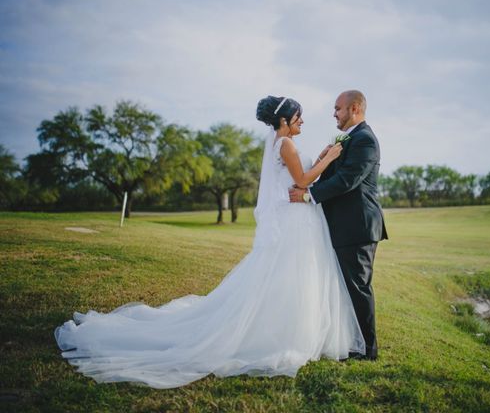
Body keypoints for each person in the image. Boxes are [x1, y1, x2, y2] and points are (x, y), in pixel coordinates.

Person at [53, 96, 365, 389]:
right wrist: (332, 158)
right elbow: (302, 181)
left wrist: (321, 156)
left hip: (298, 218)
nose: (302, 122)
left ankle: (294, 330)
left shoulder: (281, 142)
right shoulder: (284, 143)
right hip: (295, 221)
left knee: (288, 278)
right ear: (284, 119)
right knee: (289, 276)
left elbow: (299, 173)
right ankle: (285, 335)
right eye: (298, 117)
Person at [289, 90, 388, 360]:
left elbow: (348, 180)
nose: (333, 113)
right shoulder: (349, 138)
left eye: (338, 108)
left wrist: (308, 196)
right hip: (343, 224)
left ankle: (368, 349)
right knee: (346, 286)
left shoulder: (364, 140)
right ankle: (351, 342)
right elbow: (331, 175)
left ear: (354, 108)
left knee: (357, 286)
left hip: (357, 225)